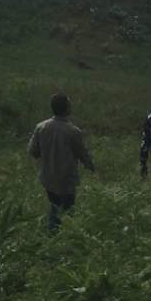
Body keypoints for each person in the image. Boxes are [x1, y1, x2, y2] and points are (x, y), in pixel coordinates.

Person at [27, 92, 95, 231]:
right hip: (66, 178)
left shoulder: (41, 127)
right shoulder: (73, 131)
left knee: (55, 204)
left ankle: (55, 235)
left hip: (48, 176)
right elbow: (82, 154)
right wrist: (91, 166)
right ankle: (59, 236)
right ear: (66, 108)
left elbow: (33, 151)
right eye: (70, 104)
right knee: (67, 211)